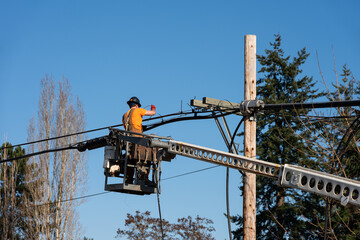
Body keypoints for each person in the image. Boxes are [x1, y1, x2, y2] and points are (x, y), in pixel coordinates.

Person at [122, 97, 156, 185]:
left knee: (130, 159)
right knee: (147, 155)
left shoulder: (124, 116)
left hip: (128, 141)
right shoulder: (138, 110)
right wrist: (153, 108)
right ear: (137, 105)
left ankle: (128, 180)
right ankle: (145, 178)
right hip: (138, 140)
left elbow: (126, 128)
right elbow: (152, 113)